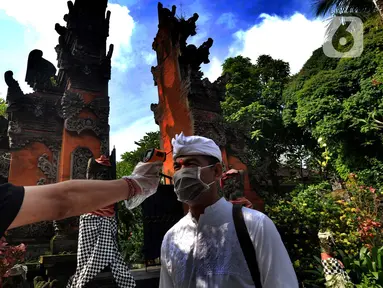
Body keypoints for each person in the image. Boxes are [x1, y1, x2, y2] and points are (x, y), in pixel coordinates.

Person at [159, 132, 299, 288]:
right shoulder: (171, 238)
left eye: (191, 164)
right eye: (177, 166)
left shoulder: (254, 225)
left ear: (217, 171)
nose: (182, 173)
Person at [0, 160, 162, 239]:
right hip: (90, 210)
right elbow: (62, 200)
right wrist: (134, 185)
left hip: (98, 207)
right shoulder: (92, 166)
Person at [67, 155, 135, 288]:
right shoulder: (87, 188)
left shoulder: (112, 188)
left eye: (105, 171)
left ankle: (89, 275)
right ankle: (84, 276)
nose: (103, 174)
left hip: (106, 222)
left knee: (109, 253)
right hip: (89, 221)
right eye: (100, 171)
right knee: (85, 257)